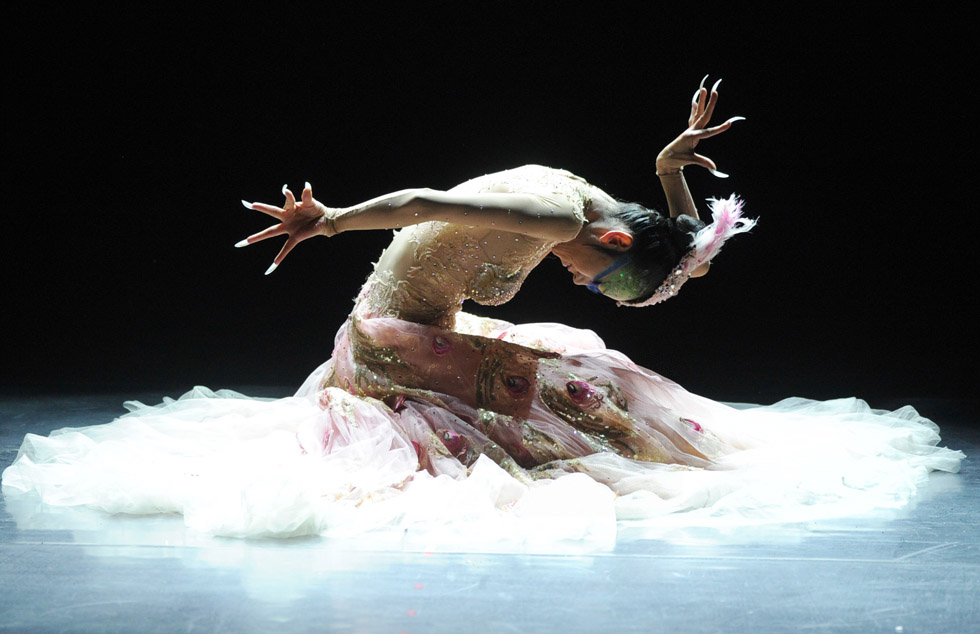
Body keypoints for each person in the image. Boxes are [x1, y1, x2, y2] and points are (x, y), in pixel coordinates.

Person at [2, 79, 964, 540]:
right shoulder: (553, 209)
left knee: (603, 374)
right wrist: (329, 221)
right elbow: (422, 203)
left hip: (444, 328)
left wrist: (673, 170)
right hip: (392, 345)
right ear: (612, 240)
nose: (583, 284)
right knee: (578, 402)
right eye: (595, 278)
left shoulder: (605, 216)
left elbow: (667, 268)